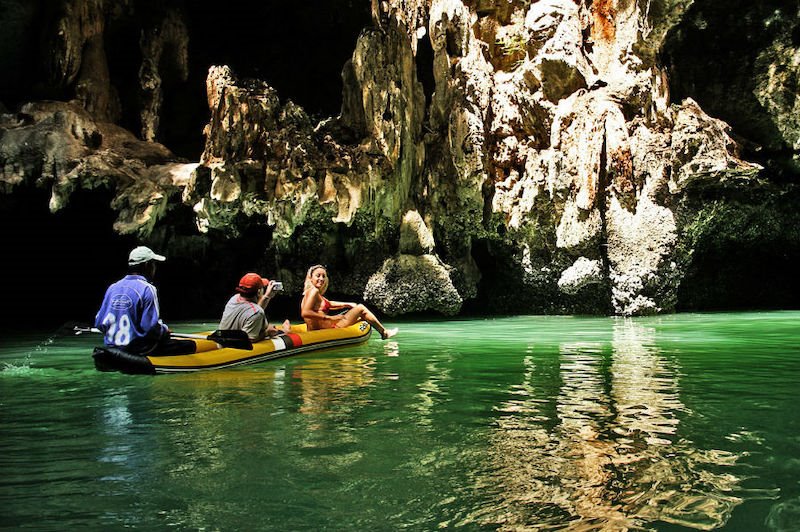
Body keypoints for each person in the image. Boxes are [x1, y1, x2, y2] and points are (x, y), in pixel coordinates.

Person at [94, 245, 194, 355]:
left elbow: (99, 323)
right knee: (189, 345)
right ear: (147, 265)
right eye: (154, 264)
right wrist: (164, 330)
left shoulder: (112, 287)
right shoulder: (148, 289)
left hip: (112, 346)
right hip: (139, 349)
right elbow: (150, 328)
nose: (155, 268)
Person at [301, 264, 397, 340]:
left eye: (324, 276)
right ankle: (384, 333)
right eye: (318, 276)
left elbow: (329, 304)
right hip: (327, 330)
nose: (321, 279)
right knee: (361, 308)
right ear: (311, 278)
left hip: (320, 329)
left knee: (361, 317)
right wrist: (329, 317)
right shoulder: (314, 291)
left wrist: (347, 304)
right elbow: (305, 312)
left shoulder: (310, 293)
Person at [219, 273, 291, 342]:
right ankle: (285, 331)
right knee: (284, 332)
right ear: (259, 291)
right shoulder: (257, 312)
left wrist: (267, 296)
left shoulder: (234, 299)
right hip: (237, 348)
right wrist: (267, 332)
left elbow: (251, 313)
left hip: (224, 341)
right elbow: (249, 340)